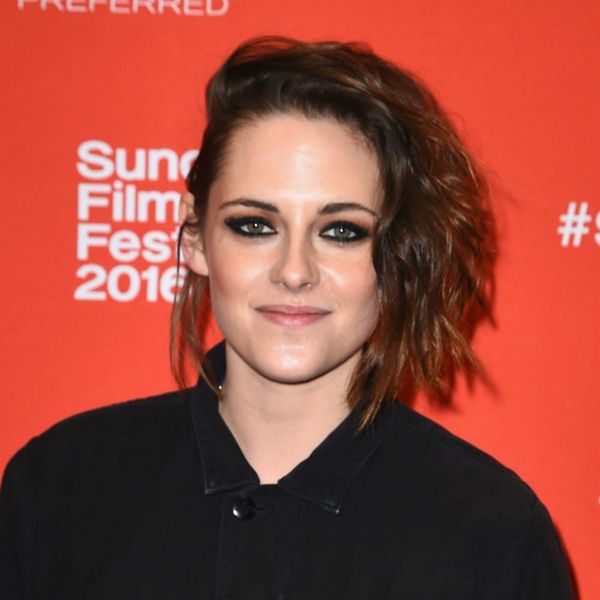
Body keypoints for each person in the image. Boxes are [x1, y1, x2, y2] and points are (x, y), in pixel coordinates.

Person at [1, 37, 574, 599]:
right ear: (196, 235)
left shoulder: (492, 535)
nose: (294, 271)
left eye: (341, 231)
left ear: (397, 255)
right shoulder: (57, 491)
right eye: (255, 225)